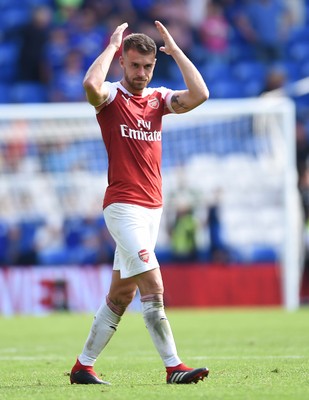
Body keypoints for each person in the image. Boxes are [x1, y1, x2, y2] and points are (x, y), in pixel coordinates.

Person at [70, 20, 210, 385]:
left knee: (120, 295)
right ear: (122, 62)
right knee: (154, 286)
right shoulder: (112, 98)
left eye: (148, 66)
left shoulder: (158, 100)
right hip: (122, 206)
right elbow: (89, 85)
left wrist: (176, 52)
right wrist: (111, 43)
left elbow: (200, 95)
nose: (141, 73)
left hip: (153, 210)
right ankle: (173, 367)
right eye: (134, 65)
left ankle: (83, 366)